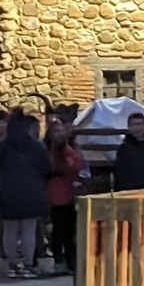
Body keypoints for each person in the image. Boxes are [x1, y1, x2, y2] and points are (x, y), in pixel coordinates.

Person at [0, 110, 51, 279]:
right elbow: (47, 168)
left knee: (9, 229)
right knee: (29, 229)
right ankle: (27, 265)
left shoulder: (3, 145)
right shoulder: (35, 146)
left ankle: (12, 265)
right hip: (32, 190)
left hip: (8, 191)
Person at [43, 114, 85, 274]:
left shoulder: (66, 147)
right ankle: (62, 261)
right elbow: (71, 166)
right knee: (61, 229)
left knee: (66, 229)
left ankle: (66, 260)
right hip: (59, 191)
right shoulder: (57, 149)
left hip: (66, 191)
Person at [111, 112, 144, 191]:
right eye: (134, 124)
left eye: (140, 124)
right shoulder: (123, 149)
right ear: (129, 127)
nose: (137, 127)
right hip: (129, 190)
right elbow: (120, 173)